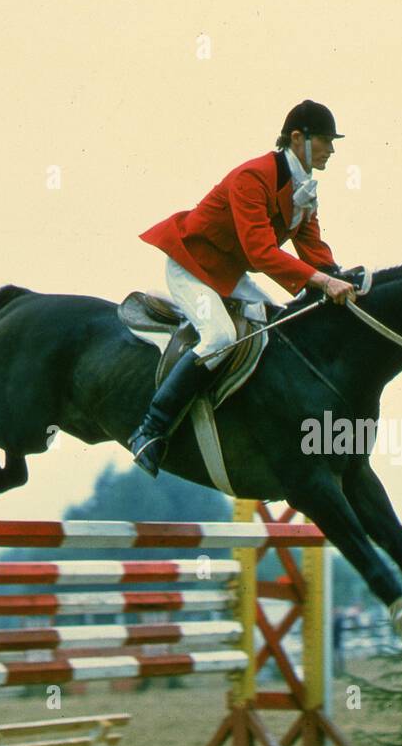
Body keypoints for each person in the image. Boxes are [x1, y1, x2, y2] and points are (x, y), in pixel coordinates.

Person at [129, 100, 358, 476]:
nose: (331, 150)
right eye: (325, 141)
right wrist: (321, 281)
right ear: (297, 138)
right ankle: (151, 429)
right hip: (193, 264)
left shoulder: (302, 186)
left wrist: (338, 274)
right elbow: (262, 252)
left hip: (229, 271)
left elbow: (312, 247)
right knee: (219, 337)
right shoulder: (254, 177)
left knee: (279, 329)